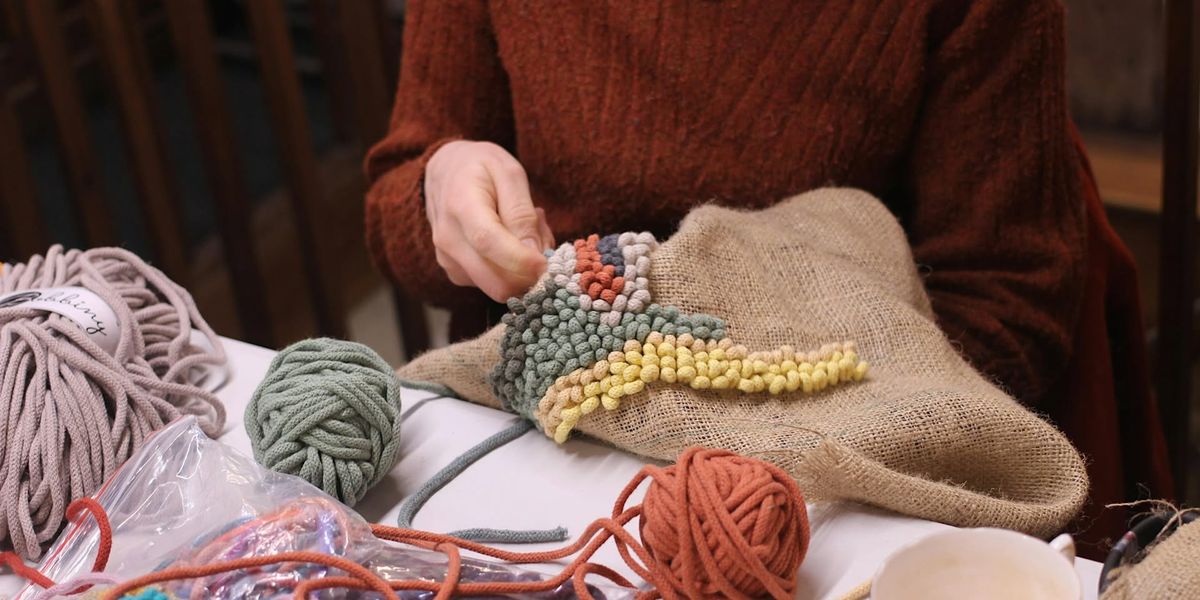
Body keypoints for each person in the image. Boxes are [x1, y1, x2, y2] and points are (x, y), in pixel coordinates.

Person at [364, 0, 1170, 551]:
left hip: (829, 487)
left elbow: (1006, 297)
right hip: (540, 465)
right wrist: (441, 188)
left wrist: (747, 421)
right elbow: (399, 185)